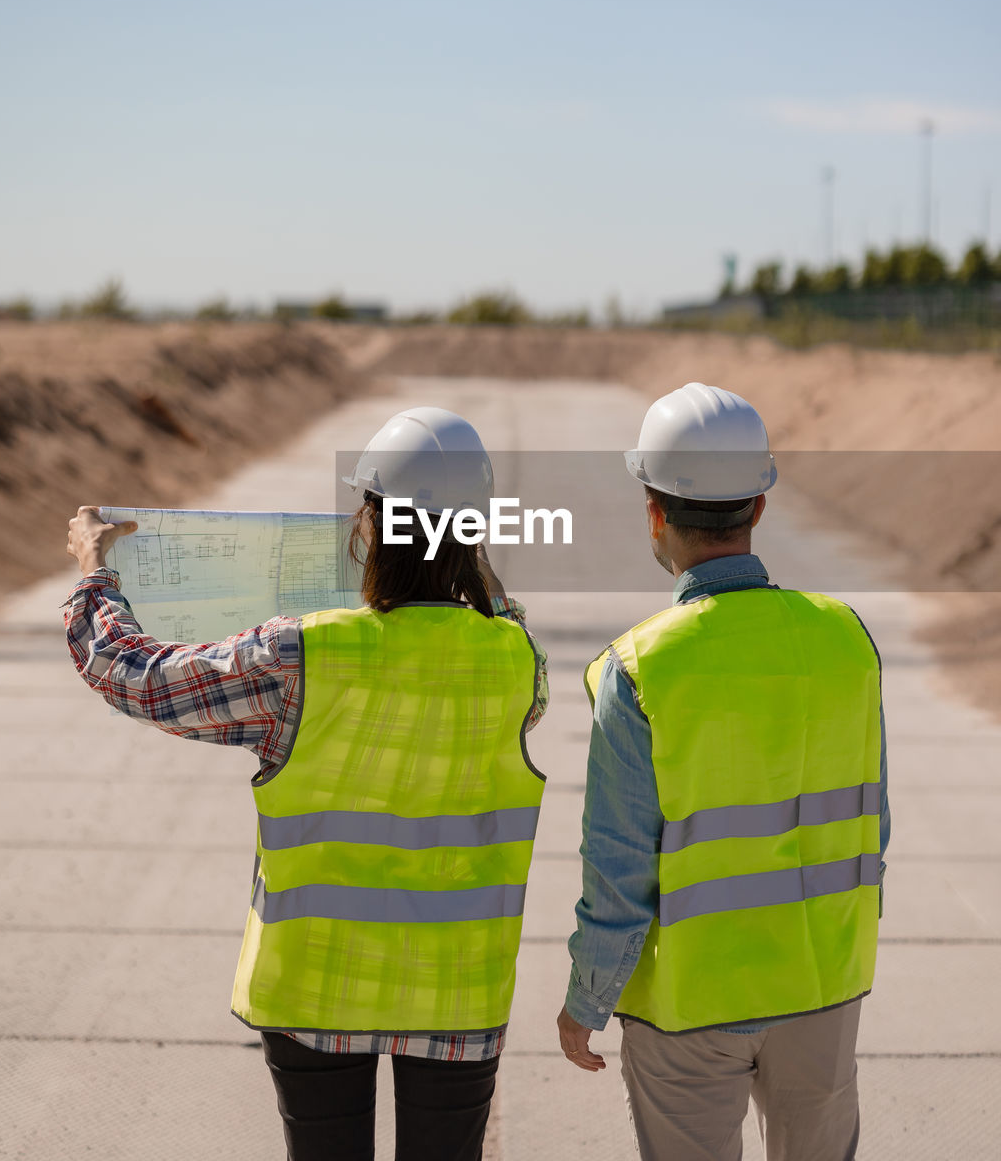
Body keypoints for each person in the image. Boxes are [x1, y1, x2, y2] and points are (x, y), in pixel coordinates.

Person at [64, 406, 548, 1161]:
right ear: (474, 532)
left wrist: (95, 577)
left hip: (314, 981)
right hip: (458, 987)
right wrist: (466, 563)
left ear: (367, 525)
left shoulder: (298, 652)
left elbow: (137, 678)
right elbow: (502, 620)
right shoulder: (516, 660)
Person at [556, 382, 890, 1161]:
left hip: (689, 1008)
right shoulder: (846, 638)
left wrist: (587, 1002)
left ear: (654, 511)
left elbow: (619, 869)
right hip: (822, 990)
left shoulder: (639, 670)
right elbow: (874, 827)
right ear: (760, 506)